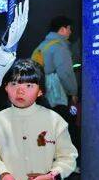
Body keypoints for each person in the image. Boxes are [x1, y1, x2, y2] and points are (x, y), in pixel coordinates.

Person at [32, 16, 79, 145]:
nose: (70, 32)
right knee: (64, 128)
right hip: (56, 95)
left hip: (42, 95)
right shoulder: (60, 47)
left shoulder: (42, 45)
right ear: (62, 29)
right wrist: (73, 92)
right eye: (69, 28)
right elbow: (65, 73)